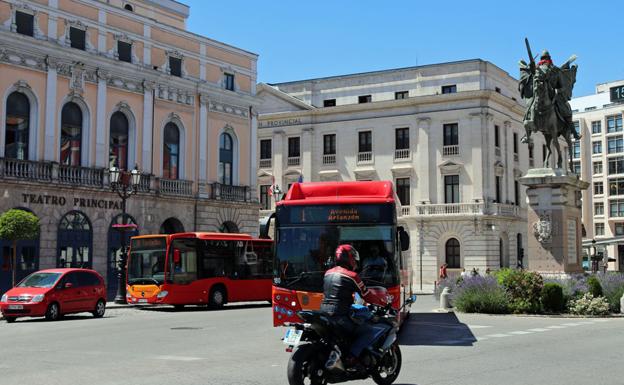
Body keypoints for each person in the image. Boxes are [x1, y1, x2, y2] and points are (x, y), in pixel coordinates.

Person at [320, 244, 387, 369]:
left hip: (324, 313)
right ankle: (352, 358)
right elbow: (367, 296)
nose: (355, 261)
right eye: (353, 258)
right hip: (340, 315)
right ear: (349, 258)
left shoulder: (327, 273)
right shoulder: (352, 276)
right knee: (368, 331)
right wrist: (382, 302)